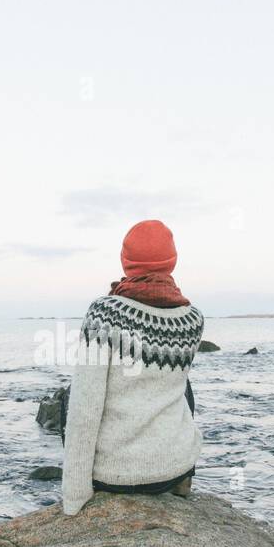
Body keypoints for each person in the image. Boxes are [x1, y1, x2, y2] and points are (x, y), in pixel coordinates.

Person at [61, 219, 204, 516]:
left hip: (118, 477)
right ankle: (180, 479)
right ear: (172, 262)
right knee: (181, 385)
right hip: (175, 468)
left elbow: (84, 410)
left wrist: (75, 499)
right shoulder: (193, 318)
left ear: (125, 262)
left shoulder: (105, 313)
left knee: (73, 393)